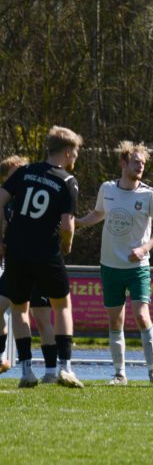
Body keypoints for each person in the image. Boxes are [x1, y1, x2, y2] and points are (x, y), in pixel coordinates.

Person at [75, 141, 153, 385]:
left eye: (143, 163)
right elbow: (98, 213)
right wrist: (77, 223)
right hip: (110, 266)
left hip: (138, 268)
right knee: (115, 320)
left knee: (141, 316)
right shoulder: (107, 188)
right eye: (136, 161)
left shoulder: (149, 194)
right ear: (123, 162)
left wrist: (145, 248)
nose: (140, 166)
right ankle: (119, 374)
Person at [0, 126, 84, 388]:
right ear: (68, 151)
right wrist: (67, 245)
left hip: (16, 250)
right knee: (62, 306)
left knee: (19, 308)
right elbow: (68, 225)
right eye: (76, 151)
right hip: (46, 252)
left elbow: (0, 200)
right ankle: (64, 368)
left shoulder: (25, 172)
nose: (76, 156)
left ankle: (26, 371)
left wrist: (2, 235)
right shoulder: (67, 181)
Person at [0, 156, 59, 382]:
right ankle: (16, 365)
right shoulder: (8, 200)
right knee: (11, 309)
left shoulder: (40, 193)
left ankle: (51, 371)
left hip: (39, 263)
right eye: (16, 173)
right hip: (17, 264)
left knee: (42, 318)